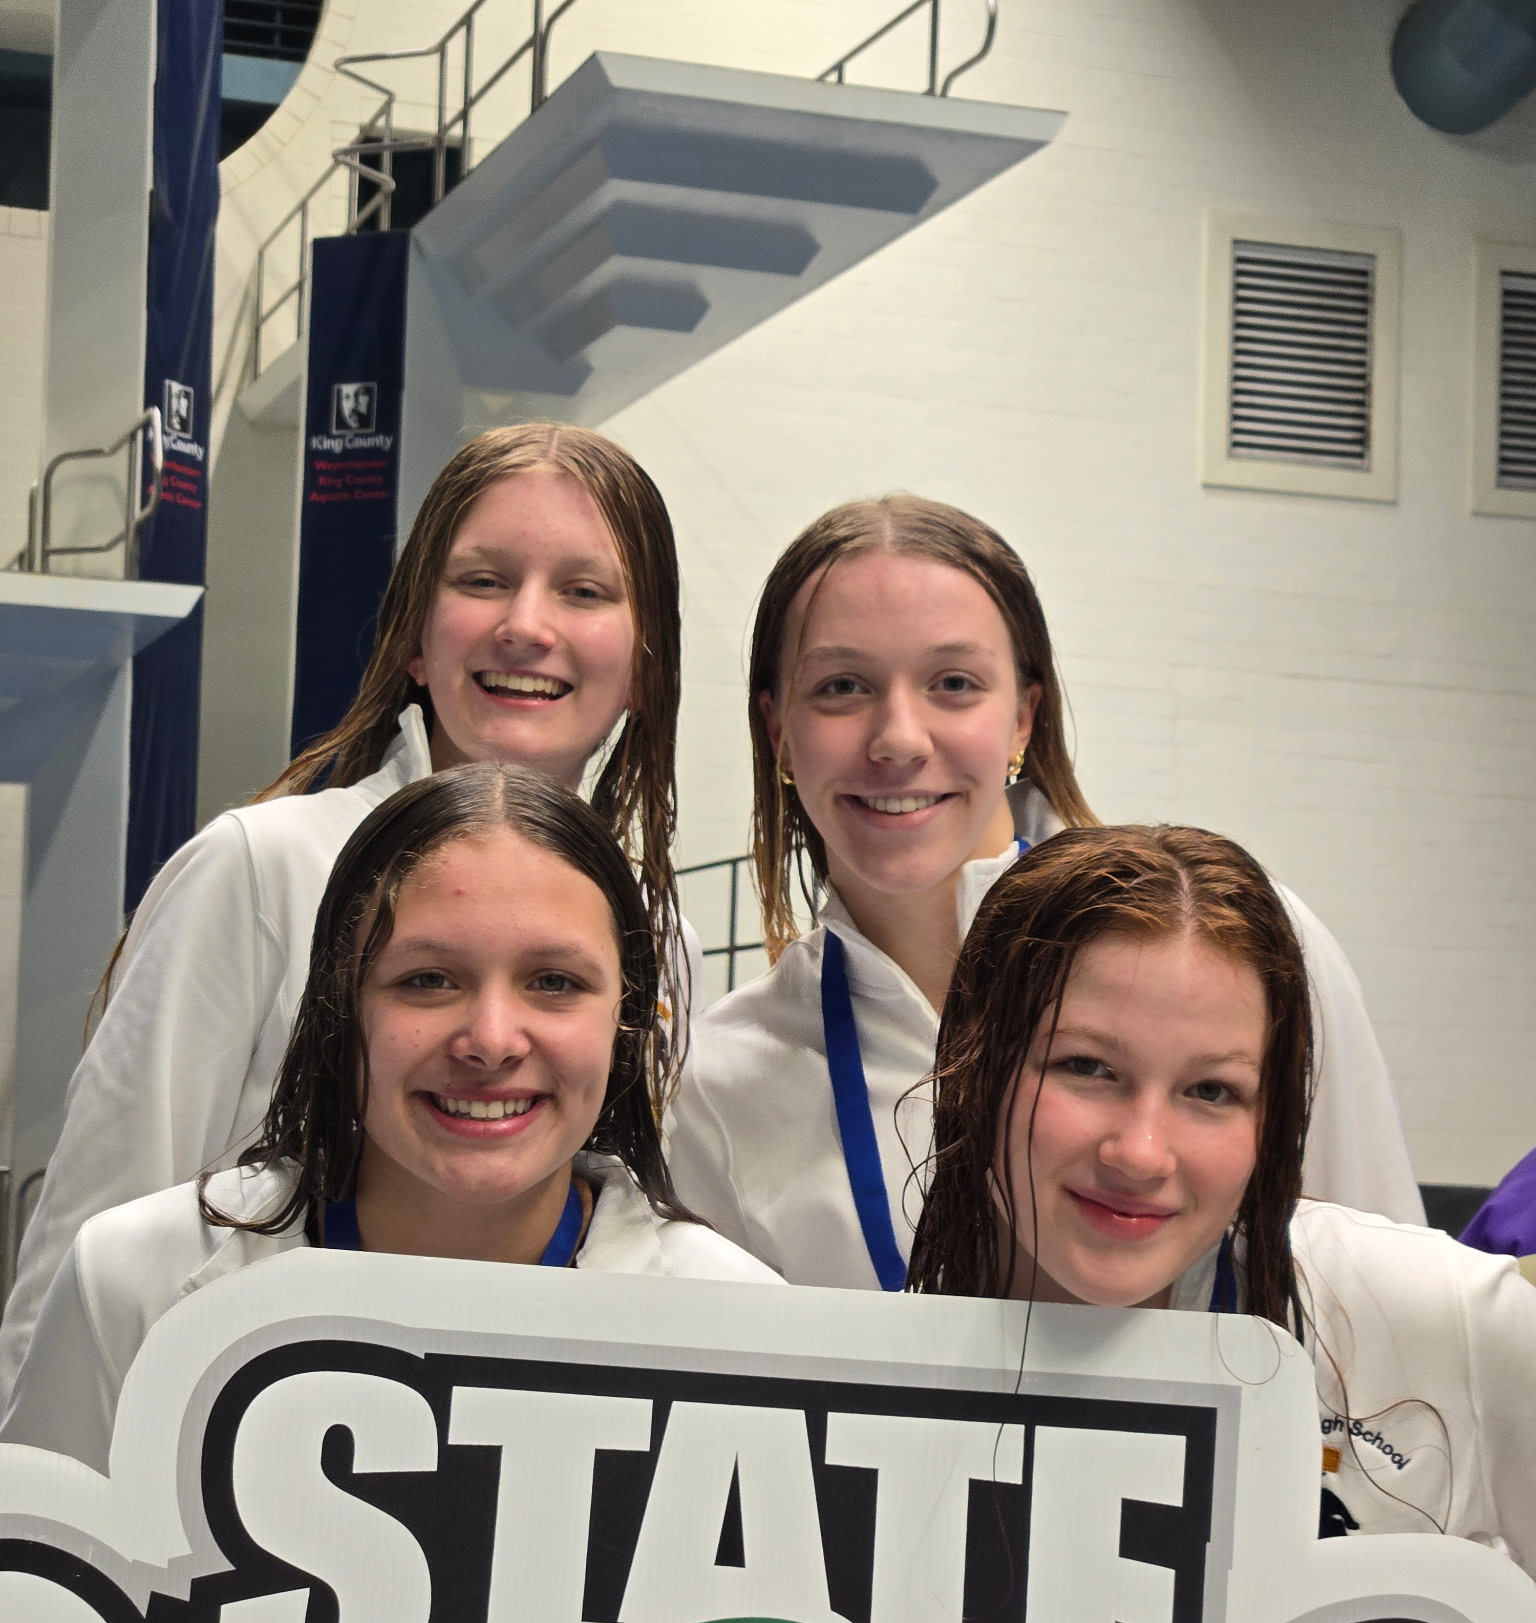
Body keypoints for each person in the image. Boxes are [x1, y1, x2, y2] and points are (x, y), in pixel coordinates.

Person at [0, 421, 697, 1408]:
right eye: (483, 580)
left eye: (584, 591)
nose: (526, 624)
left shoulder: (659, 937)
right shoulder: (259, 869)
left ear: (646, 659)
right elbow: (83, 1266)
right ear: (414, 634)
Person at [668, 495, 1423, 1289]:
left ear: (1024, 718)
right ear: (779, 732)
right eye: (842, 686)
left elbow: (1378, 1302)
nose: (898, 739)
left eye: (953, 682)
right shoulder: (723, 1086)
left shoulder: (1254, 952)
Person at [2, 765, 779, 1471]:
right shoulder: (132, 1285)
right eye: (428, 979)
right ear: (340, 1007)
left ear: (626, 1021)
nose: (491, 1041)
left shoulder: (746, 1326)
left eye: (554, 982)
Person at [906, 824, 1536, 1560]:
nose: (1141, 1153)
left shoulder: (1425, 1317)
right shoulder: (865, 1374)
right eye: (1086, 1067)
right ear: (975, 1067)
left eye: (1211, 1090)